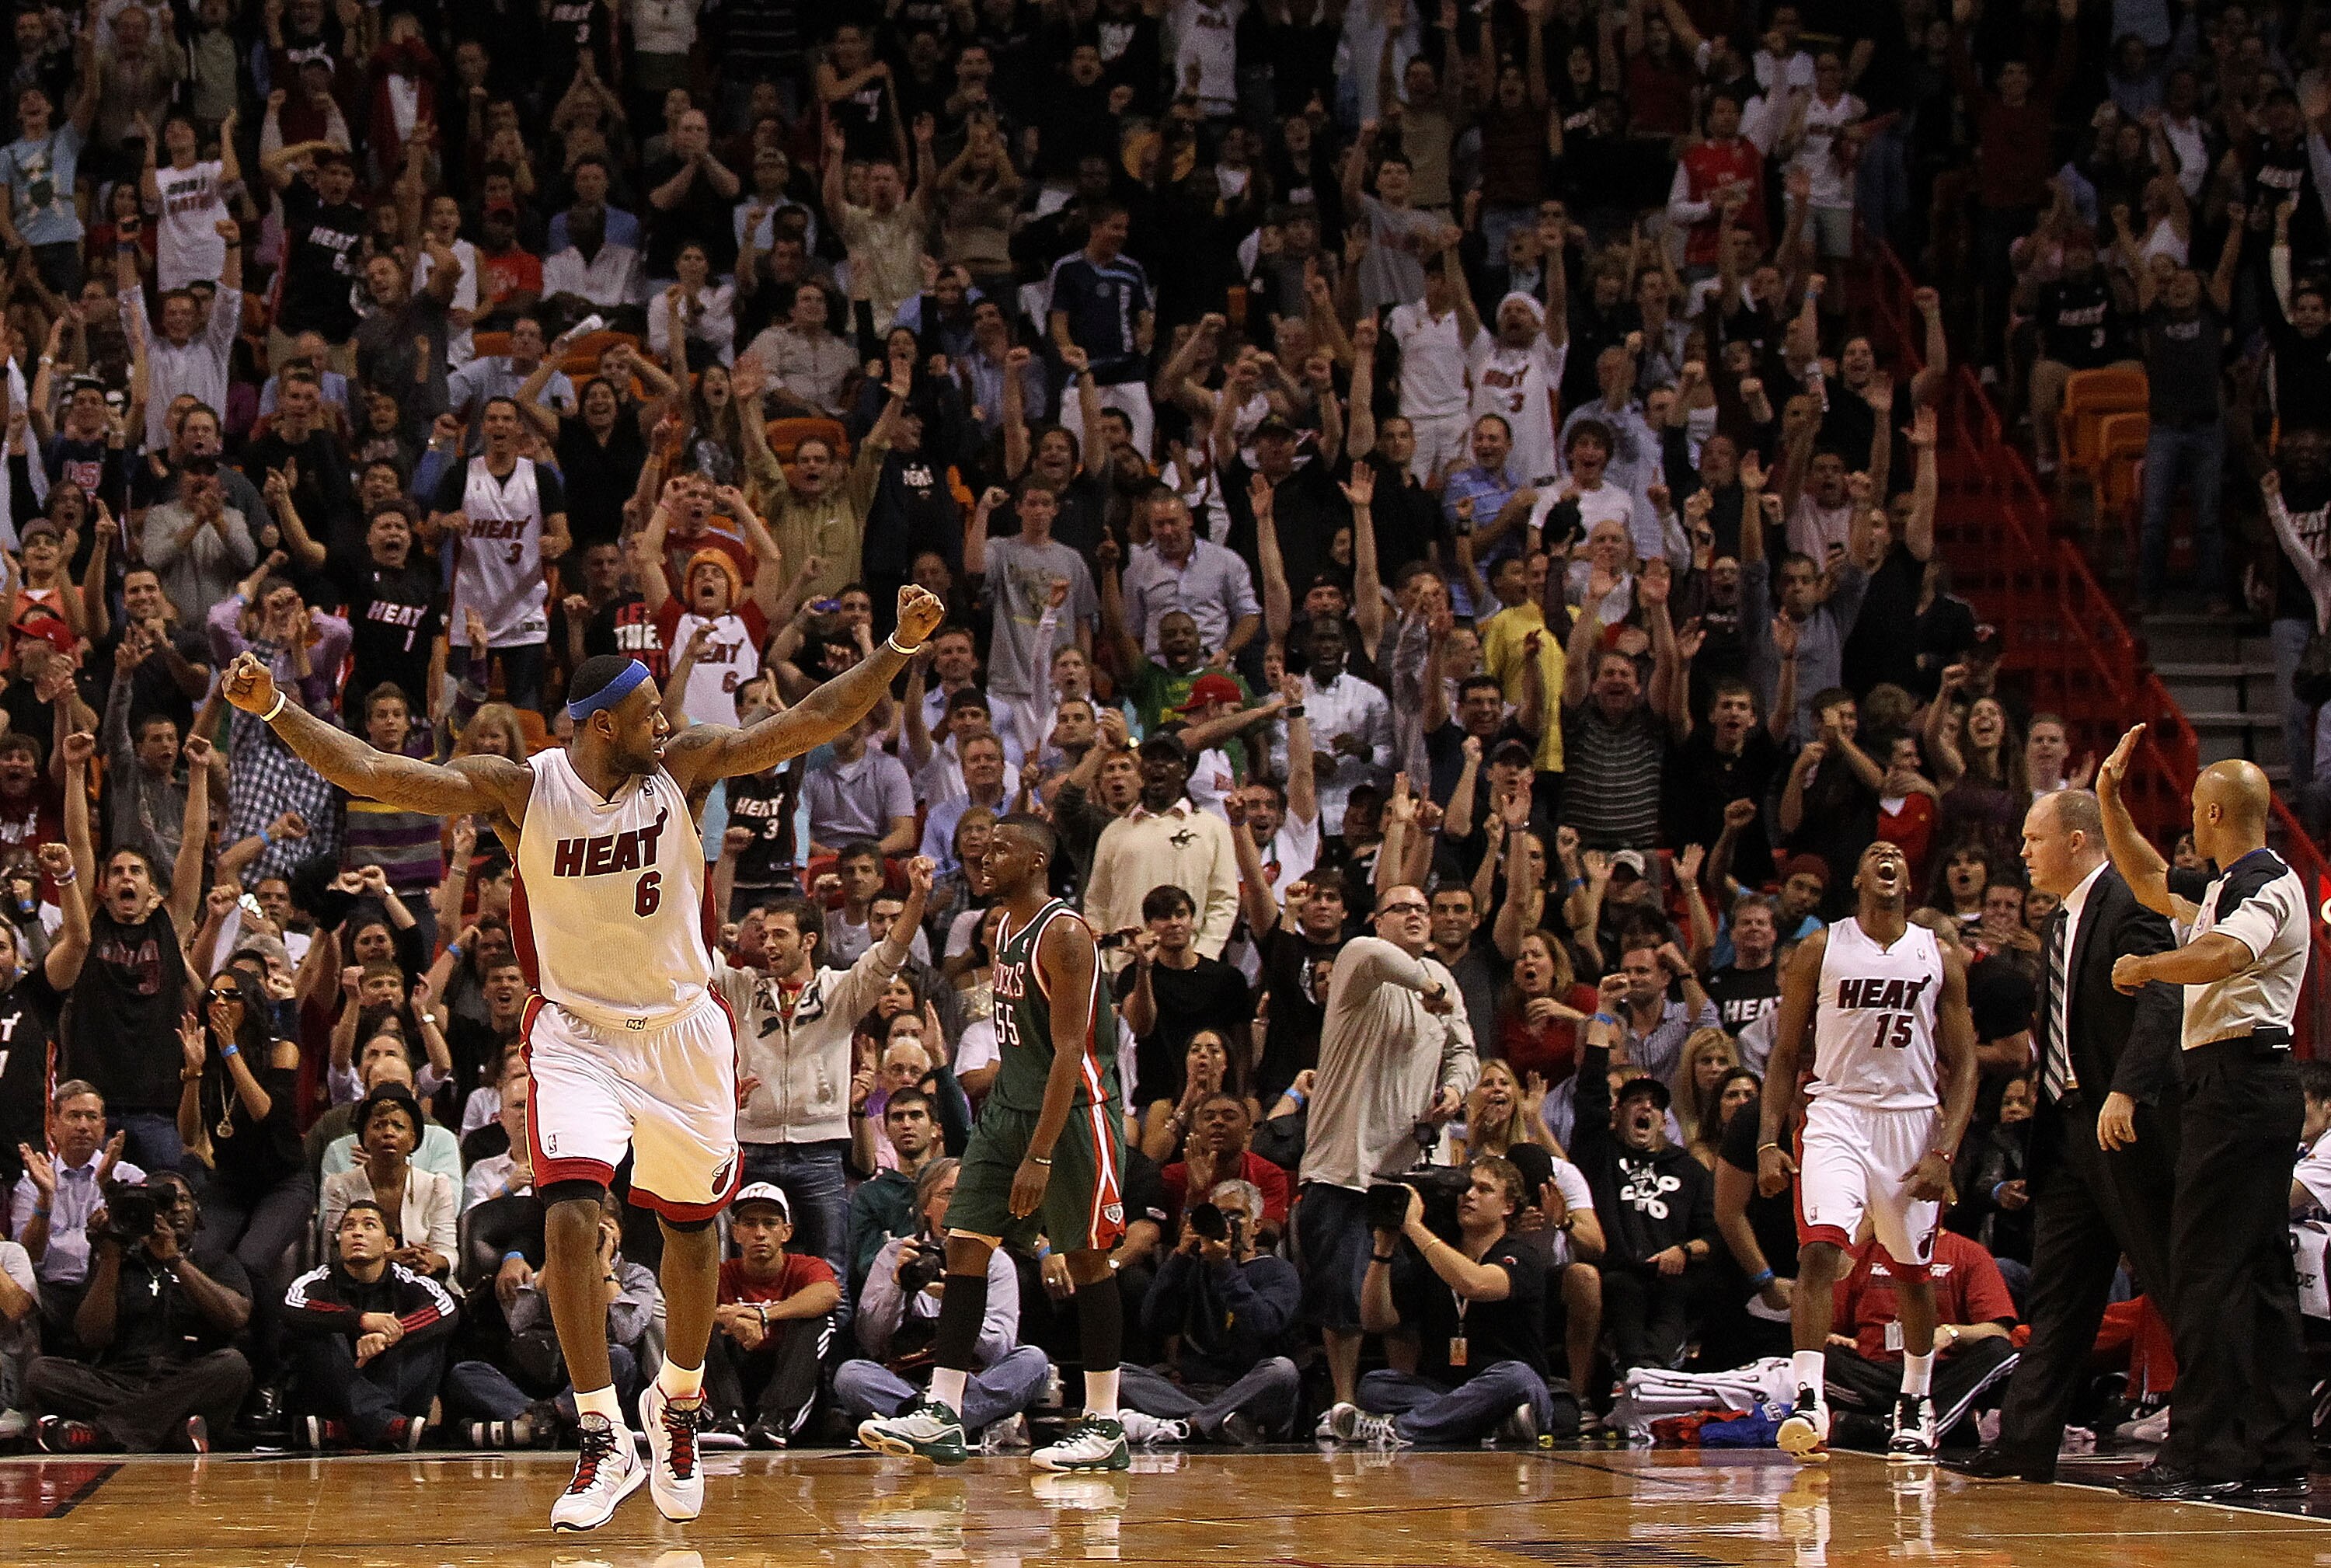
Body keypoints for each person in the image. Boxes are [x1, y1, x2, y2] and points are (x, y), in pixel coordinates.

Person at [218, 582, 946, 1531]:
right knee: (568, 1212)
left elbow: (810, 718)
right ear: (603, 726)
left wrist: (898, 645)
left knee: (692, 1232)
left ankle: (677, 1404)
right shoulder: (524, 789)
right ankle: (603, 1431)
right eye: (649, 712)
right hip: (578, 1032)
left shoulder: (684, 766)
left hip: (683, 1028)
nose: (667, 721)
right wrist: (276, 705)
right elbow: (378, 769)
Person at [856, 814, 1133, 1473]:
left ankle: (1105, 1422)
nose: (984, 854)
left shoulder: (1064, 935)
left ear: (1037, 862)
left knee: (1087, 1257)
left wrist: (1039, 1154)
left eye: (1002, 848)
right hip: (1009, 1108)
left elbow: (1070, 1052)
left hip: (1071, 1116)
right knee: (964, 1241)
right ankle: (942, 1411)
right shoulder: (1003, 927)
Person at [2094, 725, 2314, 1500]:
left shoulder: (2267, 882)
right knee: (2260, 1274)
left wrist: (2148, 965)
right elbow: (2151, 879)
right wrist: (2108, 799)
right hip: (2241, 1085)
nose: (2189, 818)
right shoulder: (2226, 886)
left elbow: (2225, 956)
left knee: (2204, 1270)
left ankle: (2201, 1452)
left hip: (2241, 1081)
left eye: (2193, 806)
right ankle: (2278, 1449)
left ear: (2215, 812)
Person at [1955, 790, 2182, 1483]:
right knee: (2059, 1295)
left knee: (2173, 1286)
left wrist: (2128, 1089)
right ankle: (2024, 1444)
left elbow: (2163, 997)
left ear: (2078, 840)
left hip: (2125, 1126)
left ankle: (2208, 1442)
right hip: (2068, 1132)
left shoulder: (2132, 901)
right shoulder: (2060, 921)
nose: (2023, 851)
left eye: (2035, 838)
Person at [1757, 838, 1981, 1462]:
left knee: (1912, 1273)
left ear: (1908, 880)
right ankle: (1809, 1398)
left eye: (1899, 854)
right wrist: (1768, 1140)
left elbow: (1965, 1065)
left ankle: (1916, 1401)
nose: (1888, 856)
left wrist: (1945, 1152)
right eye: (1876, 852)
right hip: (1837, 1112)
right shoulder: (1821, 948)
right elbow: (1785, 1053)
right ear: (1858, 877)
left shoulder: (1938, 955)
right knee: (1819, 1249)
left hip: (1911, 1121)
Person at [1296, 883, 1479, 1418]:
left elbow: (1464, 1051)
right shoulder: (1359, 959)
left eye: (1422, 909)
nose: (1416, 915)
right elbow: (1379, 958)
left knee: (1408, 1296)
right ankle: (1343, 1404)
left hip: (1413, 1169)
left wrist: (1454, 1090)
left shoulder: (1442, 977)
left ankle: (1402, 1404)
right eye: (1402, 908)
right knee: (1342, 1294)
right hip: (1345, 1164)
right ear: (1378, 920)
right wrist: (1429, 988)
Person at [1331, 1156, 1561, 1448]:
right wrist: (1383, 1251)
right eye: (1466, 1188)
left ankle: (1398, 1429)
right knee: (1375, 1386)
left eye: (1484, 1189)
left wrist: (1413, 1226)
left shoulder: (1521, 1254)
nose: (1470, 1195)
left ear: (1509, 1206)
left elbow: (1475, 1284)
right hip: (1448, 1389)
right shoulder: (1436, 1259)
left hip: (1509, 1384)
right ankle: (1488, 1422)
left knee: (1517, 1378)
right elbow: (1376, 1321)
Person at [26, 1172, 251, 1454]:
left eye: (184, 1200)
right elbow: (91, 1337)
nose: (177, 1209)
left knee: (232, 1366)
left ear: (197, 1212)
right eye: (165, 1203)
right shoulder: (120, 1263)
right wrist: (110, 1258)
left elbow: (236, 1317)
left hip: (187, 1378)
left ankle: (101, 1433)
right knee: (41, 1373)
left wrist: (175, 1260)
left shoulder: (216, 1262)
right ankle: (173, 1431)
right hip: (122, 1380)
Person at [1123, 1176, 1302, 1444]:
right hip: (1197, 1390)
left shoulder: (1278, 1272)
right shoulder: (1194, 1267)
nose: (1226, 1224)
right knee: (1119, 1375)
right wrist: (1180, 1257)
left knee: (1283, 1371)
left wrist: (1224, 1268)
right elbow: (1154, 1321)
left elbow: (1264, 1325)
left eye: (1236, 1216)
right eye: (1219, 1216)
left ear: (1256, 1226)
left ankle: (1189, 1425)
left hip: (1252, 1389)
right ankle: (1223, 1423)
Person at [280, 1199, 458, 1451]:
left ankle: (347, 1429)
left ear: (389, 1244)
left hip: (394, 1388)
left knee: (429, 1335)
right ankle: (382, 1424)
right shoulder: (319, 1279)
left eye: (369, 1225)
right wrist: (361, 1320)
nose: (357, 1233)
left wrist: (389, 1336)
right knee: (318, 1332)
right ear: (339, 1241)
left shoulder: (407, 1280)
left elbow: (446, 1309)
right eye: (349, 1226)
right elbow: (292, 1306)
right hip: (335, 1394)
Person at [706, 1183, 841, 1449]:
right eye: (750, 1224)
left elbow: (828, 1294)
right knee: (700, 1326)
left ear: (786, 1232)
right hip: (735, 1378)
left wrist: (763, 1315)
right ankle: (726, 1417)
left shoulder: (807, 1266)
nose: (760, 1233)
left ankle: (777, 1419)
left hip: (790, 1379)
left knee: (817, 1320)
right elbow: (685, 1308)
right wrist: (730, 1319)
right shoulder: (721, 1273)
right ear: (735, 1232)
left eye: (770, 1224)